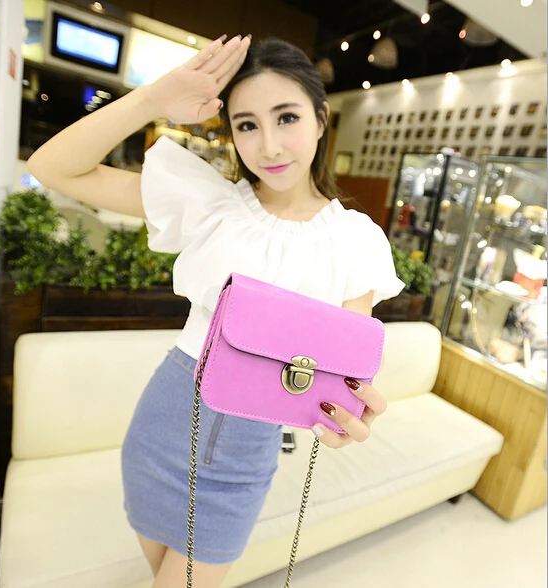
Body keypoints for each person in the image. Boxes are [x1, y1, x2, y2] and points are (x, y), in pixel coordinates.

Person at [27, 33, 405, 588]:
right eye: (247, 124)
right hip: (165, 421)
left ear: (322, 119)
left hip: (247, 452)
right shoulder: (210, 205)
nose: (269, 146)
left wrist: (347, 417)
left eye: (287, 118)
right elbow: (53, 167)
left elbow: (344, 378)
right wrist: (151, 99)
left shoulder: (357, 240)